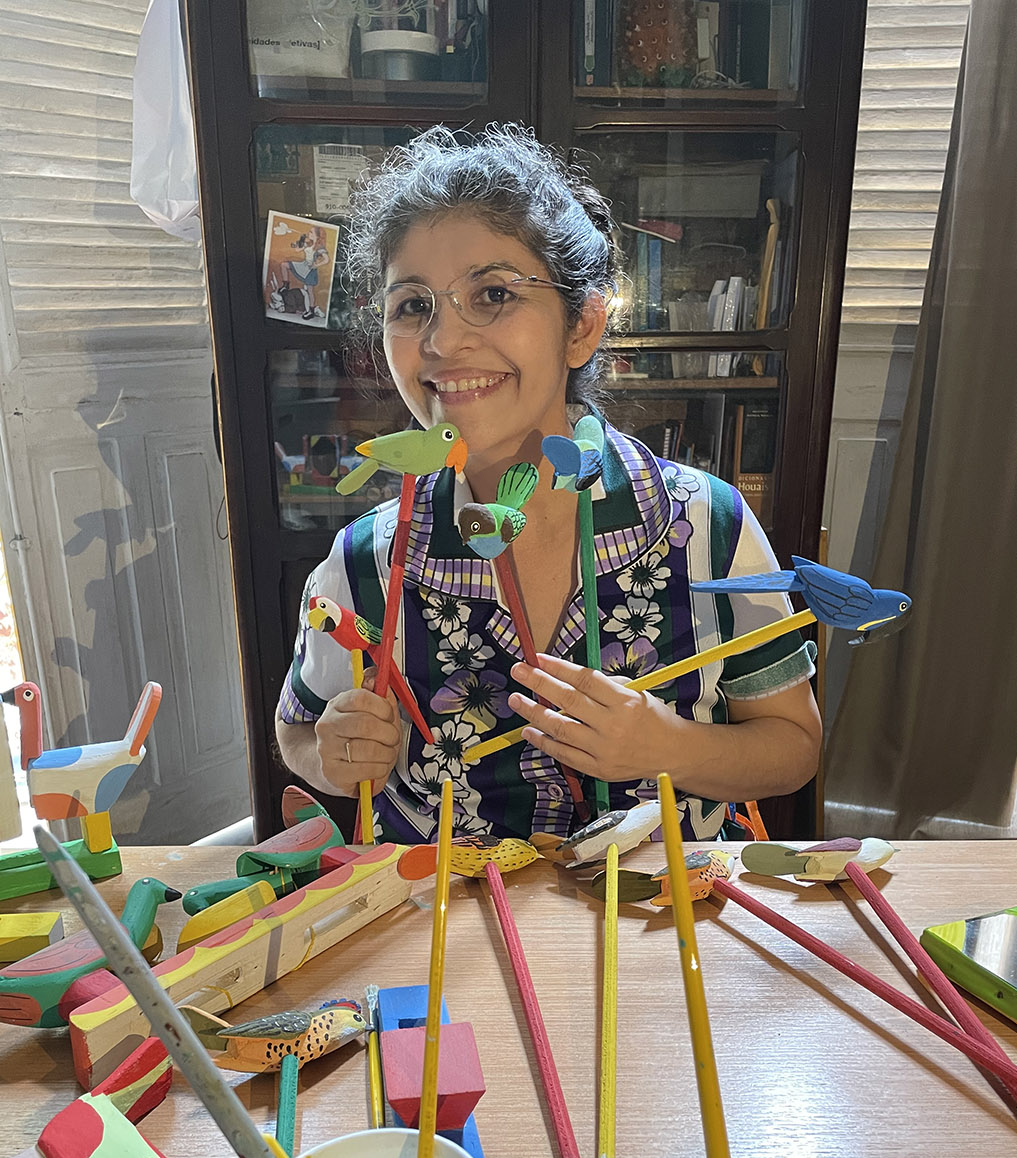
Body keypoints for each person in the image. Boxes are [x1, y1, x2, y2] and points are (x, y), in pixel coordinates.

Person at [276, 124, 821, 843]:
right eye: (412, 305)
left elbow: (793, 746)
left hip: (659, 904)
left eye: (493, 293)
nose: (443, 341)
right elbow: (299, 729)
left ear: (582, 326)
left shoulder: (708, 528)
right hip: (445, 904)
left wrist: (668, 746)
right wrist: (333, 757)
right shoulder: (365, 562)